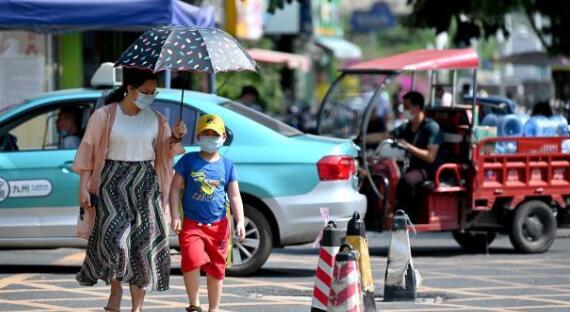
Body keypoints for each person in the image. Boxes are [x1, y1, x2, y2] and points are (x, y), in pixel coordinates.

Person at [73, 68, 187, 312]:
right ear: (130, 89)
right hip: (111, 183)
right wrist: (83, 187)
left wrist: (175, 138)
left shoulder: (157, 119)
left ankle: (137, 308)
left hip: (146, 185)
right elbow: (88, 152)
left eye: (154, 92)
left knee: (142, 248)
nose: (151, 96)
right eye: (146, 91)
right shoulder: (104, 116)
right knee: (116, 240)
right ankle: (116, 290)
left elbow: (167, 153)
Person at [170, 114, 246, 312]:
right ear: (198, 137)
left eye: (214, 134)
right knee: (191, 260)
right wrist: (175, 216)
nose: (210, 137)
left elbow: (235, 196)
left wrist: (239, 221)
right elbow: (175, 188)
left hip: (219, 226)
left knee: (216, 269)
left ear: (223, 137)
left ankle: (214, 308)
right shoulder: (188, 161)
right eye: (205, 133)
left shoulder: (228, 165)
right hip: (192, 224)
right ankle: (194, 304)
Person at [367, 91, 443, 221]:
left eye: (407, 107)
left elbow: (430, 157)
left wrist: (408, 147)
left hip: (428, 169)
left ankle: (404, 217)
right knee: (382, 174)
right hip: (410, 165)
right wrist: (360, 138)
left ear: (417, 108)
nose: (404, 111)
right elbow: (384, 136)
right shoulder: (406, 127)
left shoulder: (431, 127)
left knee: (406, 181)